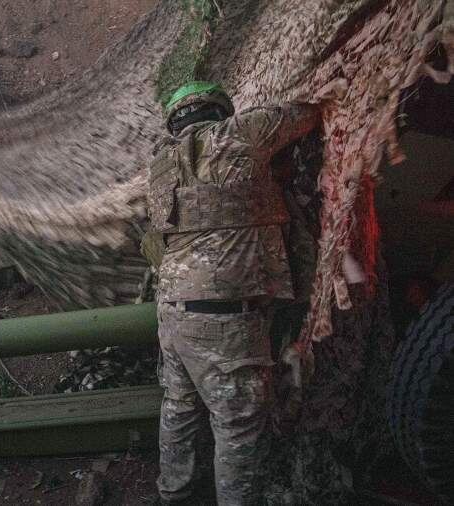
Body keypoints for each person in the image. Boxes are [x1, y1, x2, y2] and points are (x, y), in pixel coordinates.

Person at [147, 81, 320, 505]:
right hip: (226, 321)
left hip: (172, 312)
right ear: (220, 109)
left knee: (180, 406)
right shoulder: (241, 133)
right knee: (238, 428)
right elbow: (308, 112)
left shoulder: (160, 165)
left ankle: (174, 492)